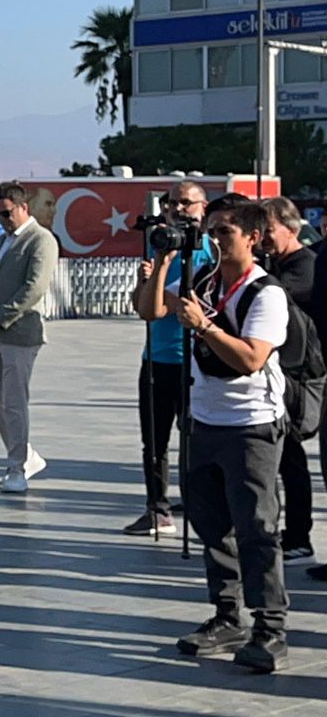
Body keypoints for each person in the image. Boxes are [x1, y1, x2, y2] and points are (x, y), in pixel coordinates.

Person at [144, 200, 291, 674]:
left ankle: (270, 628)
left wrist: (204, 326)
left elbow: (251, 359)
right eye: (210, 231)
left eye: (224, 232)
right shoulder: (203, 281)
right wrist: (163, 260)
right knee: (212, 526)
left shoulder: (265, 293)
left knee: (256, 528)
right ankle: (228, 617)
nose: (214, 240)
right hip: (203, 420)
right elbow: (150, 309)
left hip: (251, 425)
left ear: (252, 237)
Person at [128, 179, 213, 538]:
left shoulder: (211, 251)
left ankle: (201, 505)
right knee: (154, 441)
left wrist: (161, 295)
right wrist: (144, 283)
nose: (178, 210)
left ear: (202, 208)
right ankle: (157, 509)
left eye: (186, 203)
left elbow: (196, 303)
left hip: (197, 360)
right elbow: (142, 307)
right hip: (157, 357)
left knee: (195, 439)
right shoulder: (159, 245)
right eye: (172, 204)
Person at [0, 183, 61, 493]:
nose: (2, 220)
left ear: (23, 207)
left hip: (20, 332)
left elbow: (34, 287)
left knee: (14, 401)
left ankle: (17, 466)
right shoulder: (0, 242)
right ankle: (26, 453)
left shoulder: (41, 240)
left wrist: (0, 317)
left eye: (7, 213)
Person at [258, 197, 321, 564]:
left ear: (291, 228)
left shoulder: (303, 266)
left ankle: (299, 536)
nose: (262, 238)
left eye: (268, 230)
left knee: (292, 458)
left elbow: (270, 296)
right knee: (282, 458)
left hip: (299, 377)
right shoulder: (275, 263)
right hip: (280, 374)